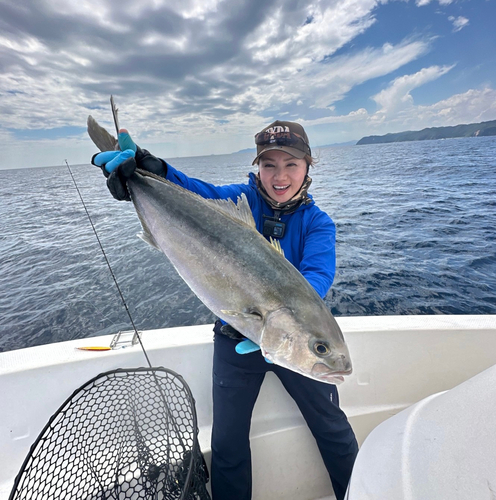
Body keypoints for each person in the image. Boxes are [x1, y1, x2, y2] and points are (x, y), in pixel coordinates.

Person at [92, 120, 359, 500]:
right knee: (229, 442)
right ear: (258, 167)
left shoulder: (317, 223)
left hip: (287, 340)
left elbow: (317, 275)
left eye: (291, 165)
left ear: (308, 167)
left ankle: (360, 493)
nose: (279, 176)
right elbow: (196, 193)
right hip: (237, 342)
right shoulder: (239, 201)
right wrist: (150, 170)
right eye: (269, 165)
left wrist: (283, 322)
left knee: (333, 428)